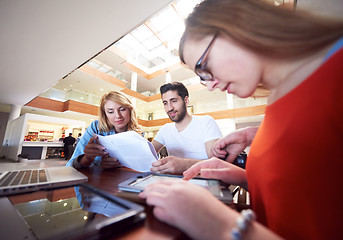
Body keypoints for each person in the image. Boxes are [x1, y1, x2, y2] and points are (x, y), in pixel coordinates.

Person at [140, 0, 343, 239]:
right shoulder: (278, 97)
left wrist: (217, 222)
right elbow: (305, 193)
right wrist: (241, 176)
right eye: (203, 77)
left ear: (238, 27)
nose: (211, 85)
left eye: (204, 67)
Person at [151, 82, 222, 174]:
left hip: (203, 184)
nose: (169, 108)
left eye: (174, 101)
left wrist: (184, 165)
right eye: (165, 103)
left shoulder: (205, 122)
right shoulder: (165, 129)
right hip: (173, 184)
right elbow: (147, 153)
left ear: (186, 100)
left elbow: (216, 165)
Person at [66, 91, 141, 169]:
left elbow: (138, 165)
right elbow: (70, 166)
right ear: (105, 114)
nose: (117, 116)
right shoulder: (95, 127)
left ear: (130, 110)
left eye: (122, 109)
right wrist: (87, 159)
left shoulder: (138, 134)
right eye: (111, 112)